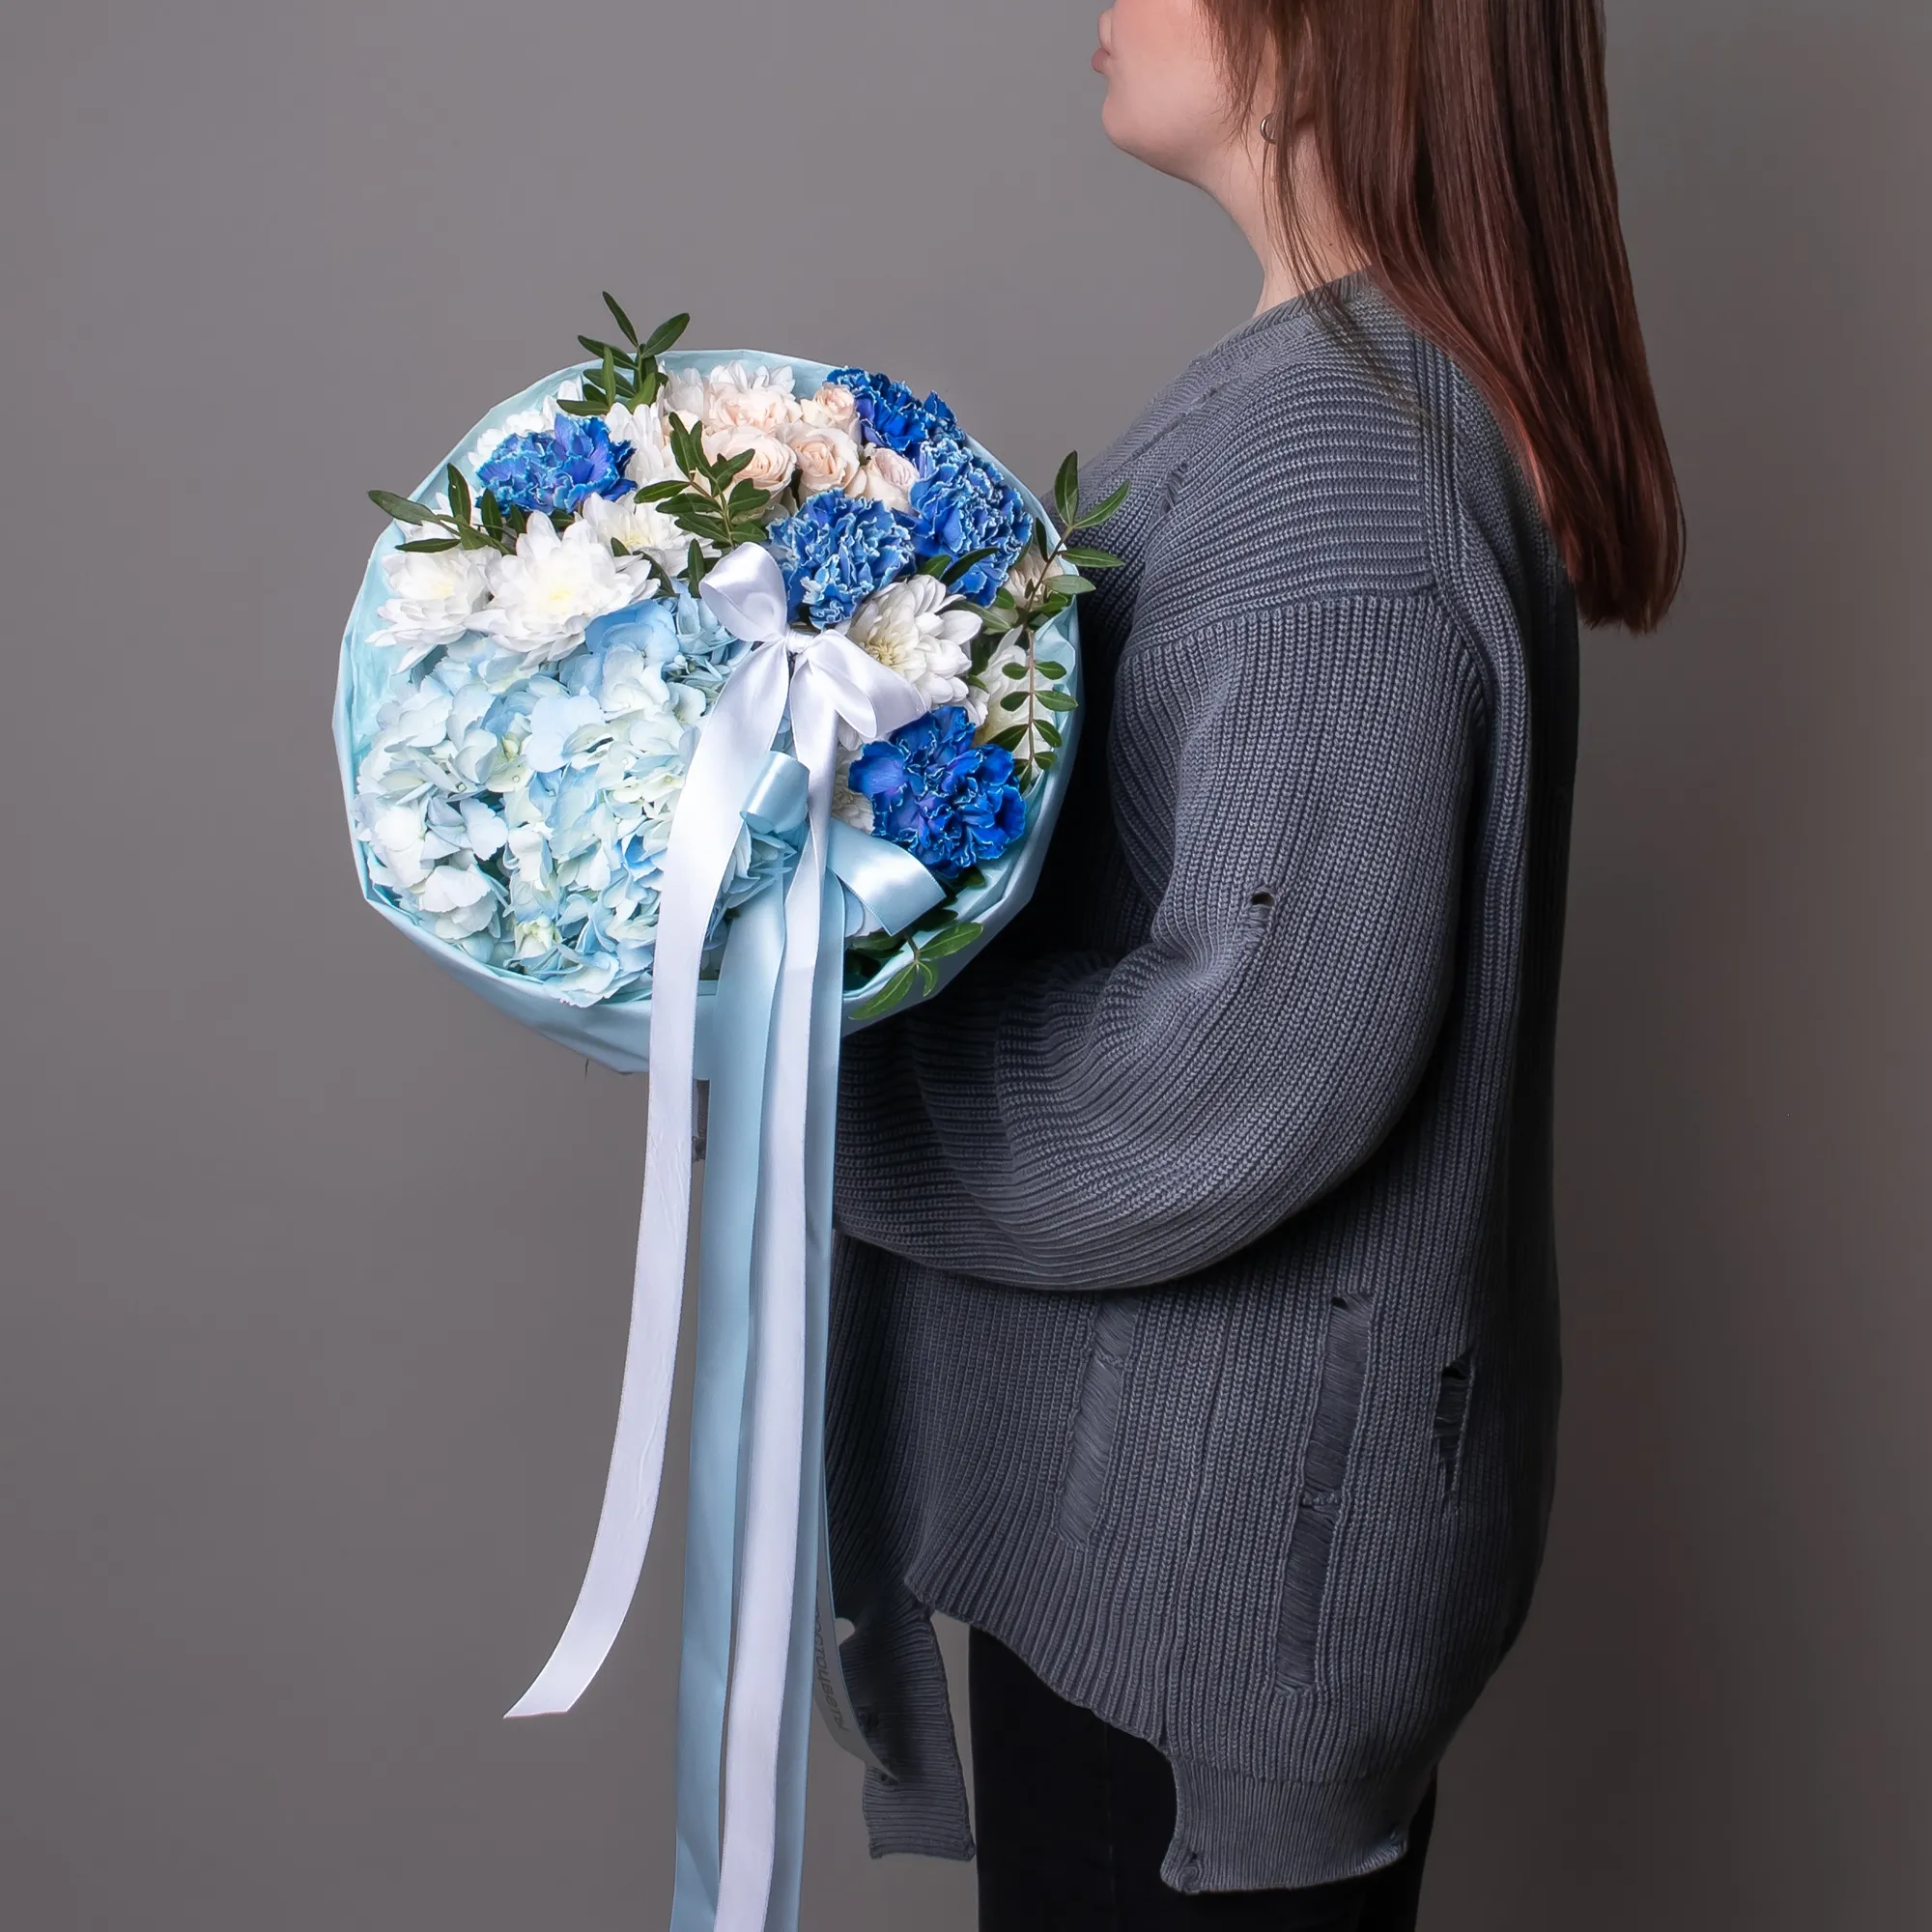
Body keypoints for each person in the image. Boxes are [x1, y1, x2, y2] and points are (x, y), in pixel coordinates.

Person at [827, 0, 1683, 1921]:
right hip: (1179, 1538)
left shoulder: (1345, 461)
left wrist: (824, 1085)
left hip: (1199, 1584)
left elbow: (1246, 1063)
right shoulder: (1346, 403)